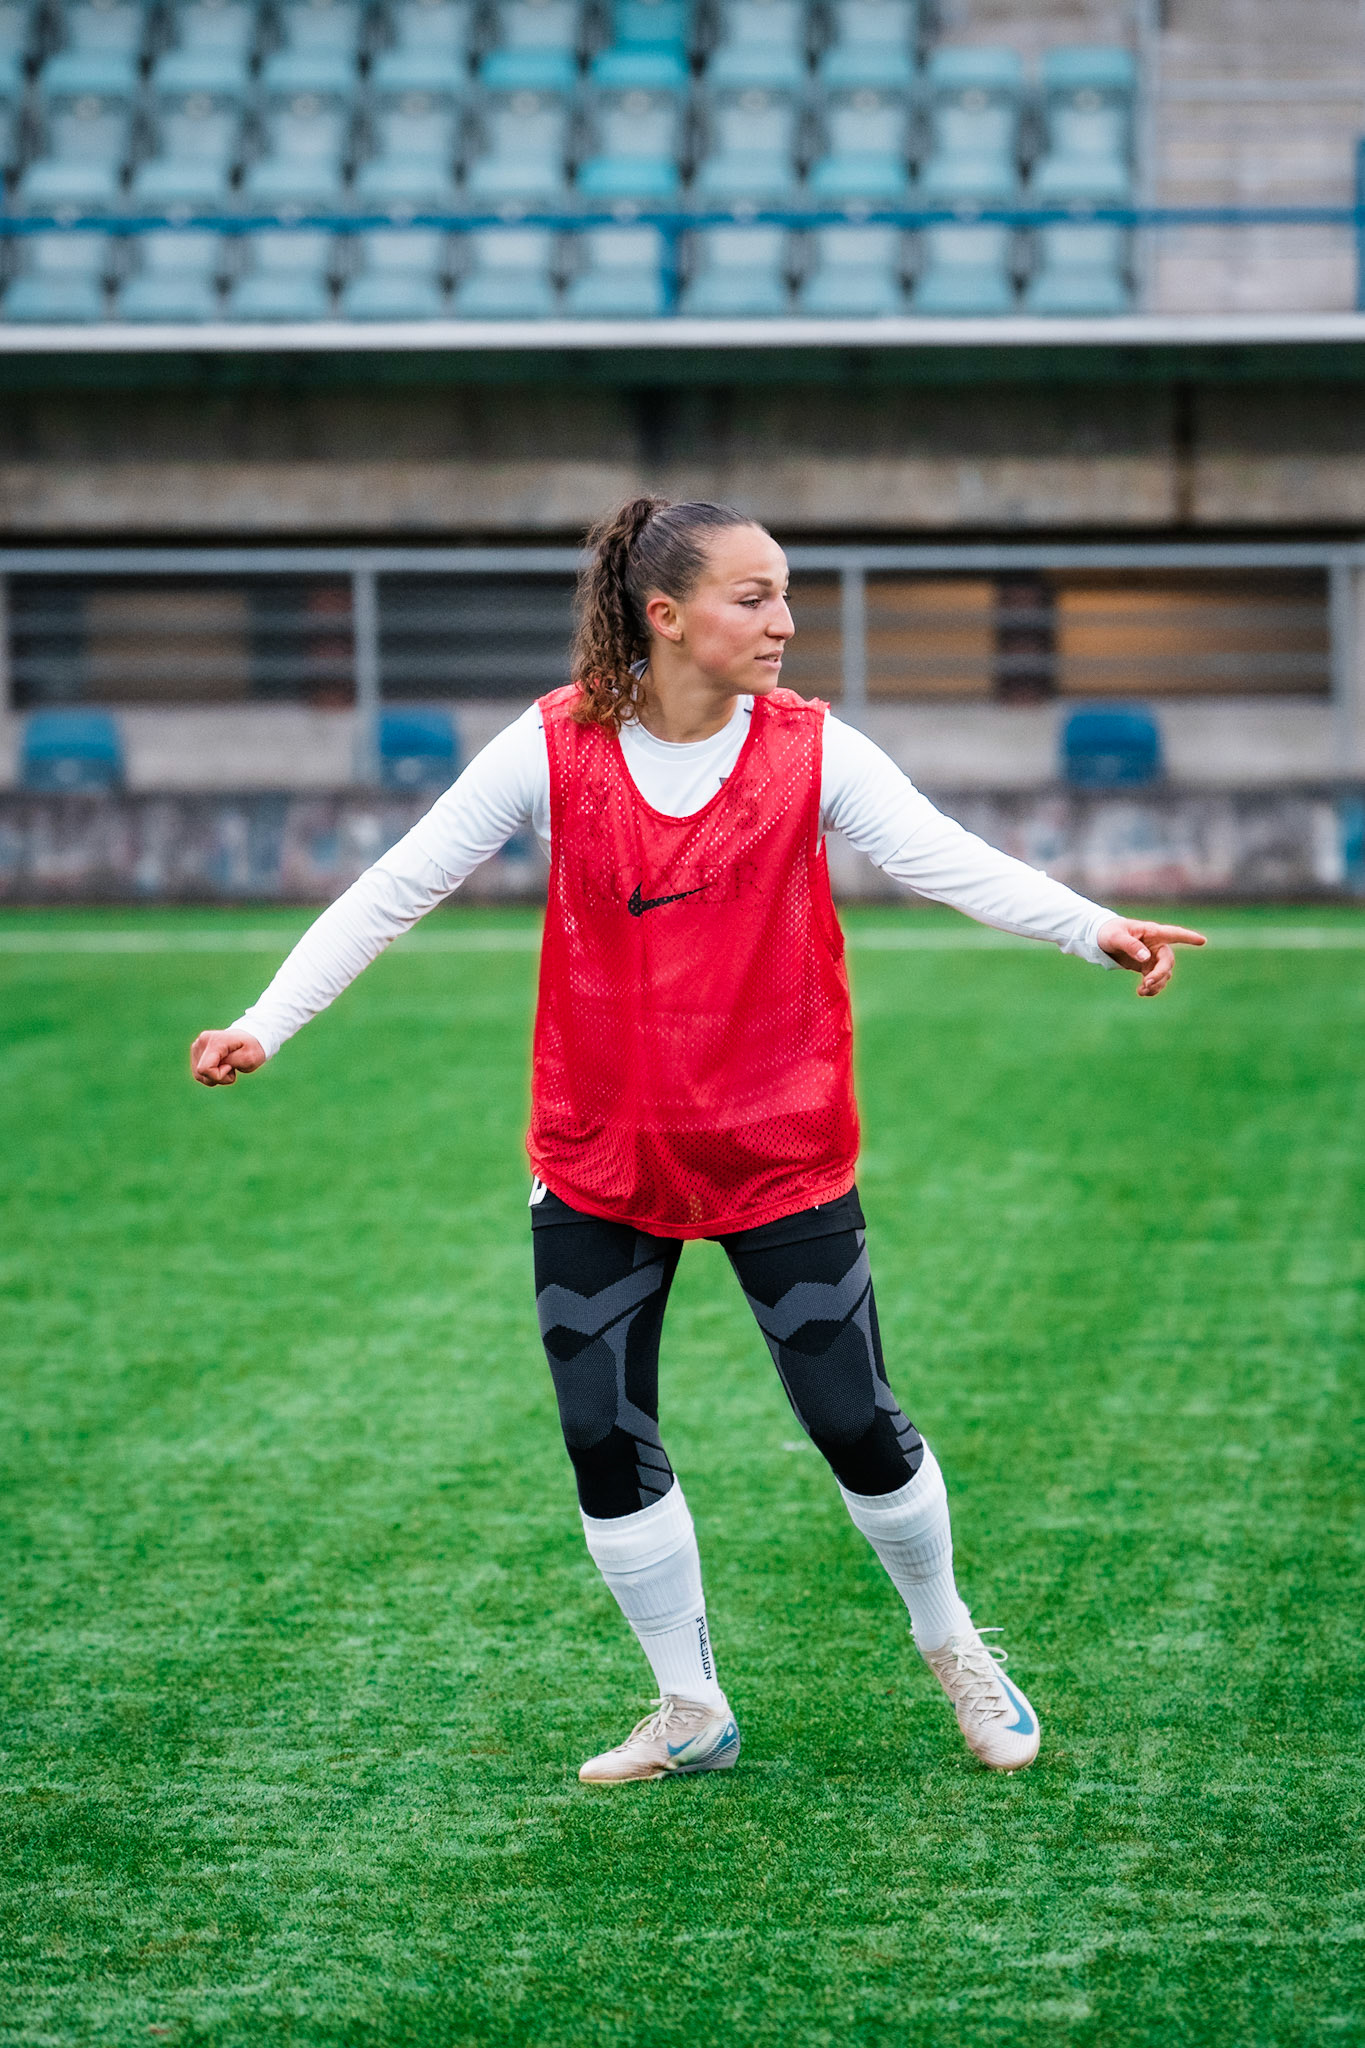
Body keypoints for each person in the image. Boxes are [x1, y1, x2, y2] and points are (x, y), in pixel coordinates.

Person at [191, 498, 1205, 1786]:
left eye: (784, 594)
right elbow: (398, 884)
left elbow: (944, 859)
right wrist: (266, 1021)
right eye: (753, 596)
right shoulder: (552, 744)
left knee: (853, 1418)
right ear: (664, 617)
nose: (785, 621)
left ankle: (955, 1646)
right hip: (600, 1150)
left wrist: (1091, 927)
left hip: (778, 1147)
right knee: (602, 1432)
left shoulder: (814, 750)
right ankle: (688, 1705)